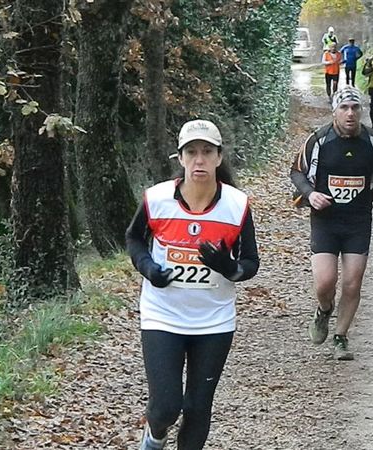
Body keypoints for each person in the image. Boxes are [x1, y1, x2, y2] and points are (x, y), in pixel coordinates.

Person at [126, 119, 259, 450]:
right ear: (181, 158)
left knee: (198, 408)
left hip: (214, 321)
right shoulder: (156, 199)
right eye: (192, 152)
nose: (199, 160)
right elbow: (134, 238)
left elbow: (250, 264)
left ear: (218, 158)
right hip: (163, 315)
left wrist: (228, 268)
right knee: (167, 405)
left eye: (207, 152)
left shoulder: (236, 205)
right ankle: (154, 437)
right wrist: (148, 268)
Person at [290, 86, 373, 361]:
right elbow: (297, 172)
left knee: (352, 283)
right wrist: (311, 194)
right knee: (325, 283)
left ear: (361, 111)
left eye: (355, 108)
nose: (350, 113)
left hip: (358, 221)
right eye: (344, 108)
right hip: (325, 222)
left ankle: (341, 337)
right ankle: (324, 310)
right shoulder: (319, 140)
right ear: (334, 111)